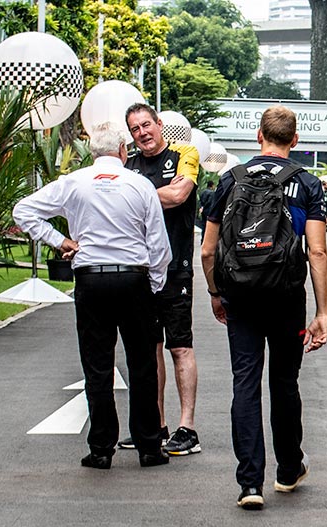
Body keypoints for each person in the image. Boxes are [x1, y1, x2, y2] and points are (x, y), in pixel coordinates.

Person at [13, 122, 171, 470]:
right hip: (133, 279)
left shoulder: (73, 183)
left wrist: (60, 241)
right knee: (142, 363)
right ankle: (148, 446)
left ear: (92, 152)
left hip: (90, 279)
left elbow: (23, 211)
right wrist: (155, 286)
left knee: (97, 366)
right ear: (123, 151)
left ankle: (101, 447)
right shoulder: (141, 185)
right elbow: (159, 246)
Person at [200, 105, 327, 510]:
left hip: (239, 295)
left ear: (259, 136)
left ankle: (249, 483)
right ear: (295, 141)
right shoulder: (307, 184)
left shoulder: (229, 181)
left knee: (245, 382)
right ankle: (289, 469)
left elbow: (207, 251)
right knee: (284, 382)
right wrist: (322, 312)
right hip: (286, 297)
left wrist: (215, 293)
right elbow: (318, 251)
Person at [124, 103, 201, 456]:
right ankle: (155, 425)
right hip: (142, 271)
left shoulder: (184, 154)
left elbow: (180, 194)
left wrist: (136, 195)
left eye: (146, 125)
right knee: (150, 349)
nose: (142, 133)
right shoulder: (130, 166)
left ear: (159, 124)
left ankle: (188, 428)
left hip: (176, 269)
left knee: (179, 347)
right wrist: (154, 195)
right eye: (135, 129)